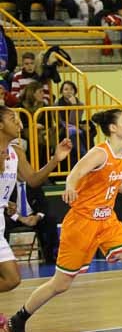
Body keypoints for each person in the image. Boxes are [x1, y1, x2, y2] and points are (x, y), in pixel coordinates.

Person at [10, 109, 122, 332]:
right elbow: (74, 174)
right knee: (61, 284)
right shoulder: (100, 153)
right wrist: (69, 187)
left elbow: (113, 182)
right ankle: (18, 319)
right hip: (82, 222)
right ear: (113, 128)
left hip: (107, 222)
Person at [0, 106, 70, 295]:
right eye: (13, 120)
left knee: (12, 280)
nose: (19, 124)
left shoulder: (16, 152)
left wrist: (55, 159)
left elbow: (33, 180)